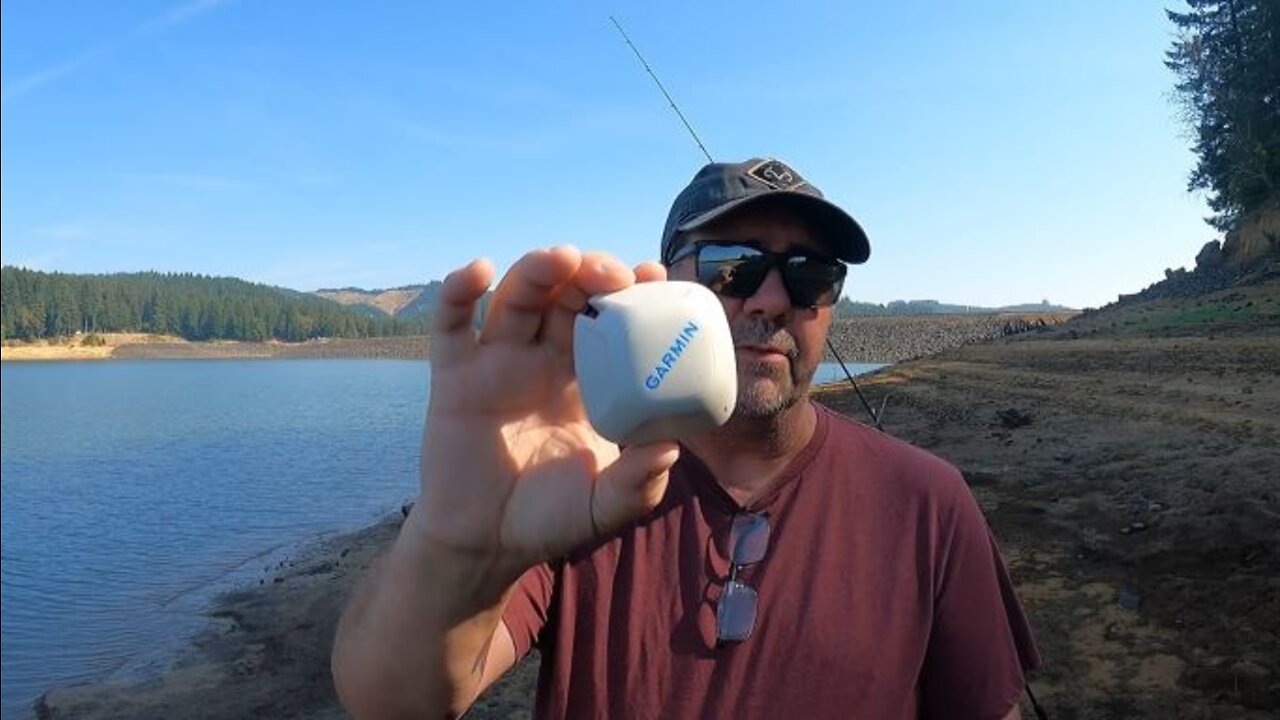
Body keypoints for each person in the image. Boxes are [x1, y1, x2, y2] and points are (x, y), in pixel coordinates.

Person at [331, 157, 1042, 719]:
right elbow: (395, 702)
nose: (769, 300)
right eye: (731, 267)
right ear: (664, 283)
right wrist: (457, 544)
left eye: (810, 275)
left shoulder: (927, 502)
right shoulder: (581, 486)